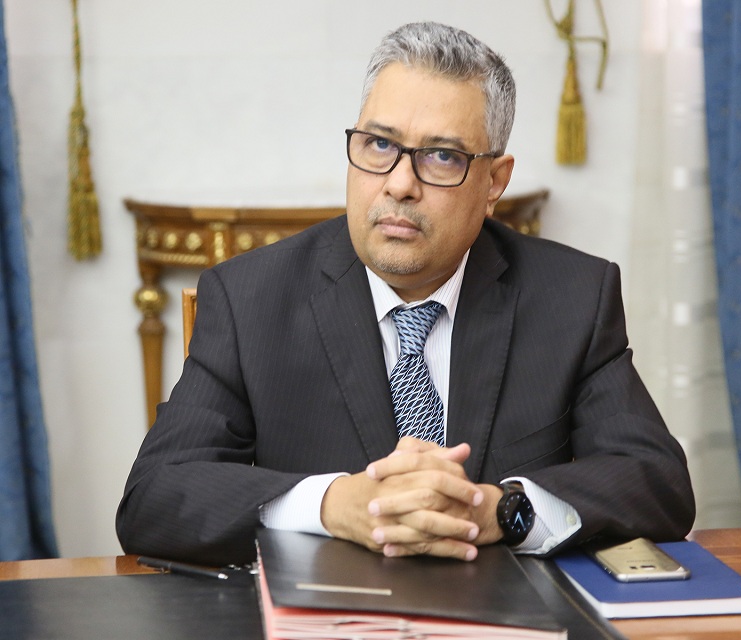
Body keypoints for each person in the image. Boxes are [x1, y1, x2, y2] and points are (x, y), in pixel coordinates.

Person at [116, 22, 695, 567]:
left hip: (505, 611)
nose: (399, 184)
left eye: (442, 156)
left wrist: (499, 511)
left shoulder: (571, 297)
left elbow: (658, 482)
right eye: (378, 144)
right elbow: (154, 496)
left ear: (494, 182)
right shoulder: (252, 299)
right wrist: (332, 505)